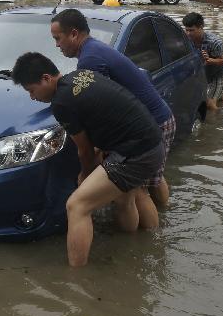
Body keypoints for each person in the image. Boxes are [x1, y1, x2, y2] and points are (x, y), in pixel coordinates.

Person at [11, 52, 164, 267]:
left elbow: (84, 151)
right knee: (126, 198)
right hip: (152, 142)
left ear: (46, 78)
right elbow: (105, 115)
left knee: (77, 206)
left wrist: (84, 175)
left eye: (32, 90)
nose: (32, 97)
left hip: (135, 152)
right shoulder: (82, 75)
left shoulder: (61, 102)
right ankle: (142, 249)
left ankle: (77, 280)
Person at [50, 9, 175, 207]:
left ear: (74, 34)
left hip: (150, 124)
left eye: (58, 38)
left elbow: (100, 109)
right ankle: (164, 217)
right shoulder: (95, 49)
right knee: (154, 178)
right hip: (158, 118)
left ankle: (154, 233)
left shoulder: (89, 61)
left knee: (139, 190)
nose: (57, 45)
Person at [182, 12, 223, 111]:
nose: (188, 33)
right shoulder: (187, 39)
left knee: (209, 104)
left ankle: (218, 120)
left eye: (191, 30)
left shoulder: (214, 42)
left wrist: (209, 60)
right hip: (207, 74)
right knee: (220, 98)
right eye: (186, 30)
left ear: (201, 27)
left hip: (220, 74)